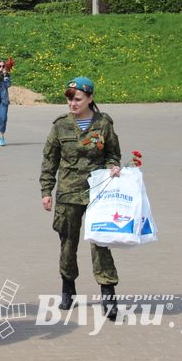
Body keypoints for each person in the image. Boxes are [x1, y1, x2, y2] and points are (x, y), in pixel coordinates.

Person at [40, 76, 121, 320]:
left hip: (98, 192)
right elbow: (50, 160)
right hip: (68, 192)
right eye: (69, 99)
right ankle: (68, 287)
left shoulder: (103, 124)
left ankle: (108, 293)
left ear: (90, 98)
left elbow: (113, 153)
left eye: (77, 99)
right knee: (68, 243)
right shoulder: (60, 125)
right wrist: (46, 191)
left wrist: (113, 166)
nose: (72, 103)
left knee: (100, 242)